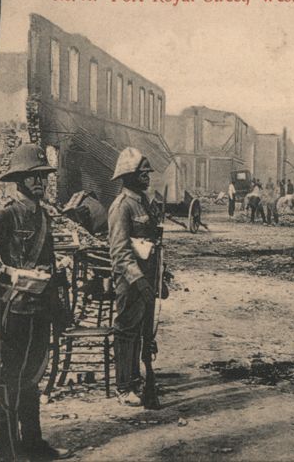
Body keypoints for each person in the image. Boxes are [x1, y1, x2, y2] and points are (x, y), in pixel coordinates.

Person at [0, 144, 70, 461]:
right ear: (19, 179)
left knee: (33, 378)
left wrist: (60, 308)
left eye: (43, 176)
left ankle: (34, 444)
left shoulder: (43, 215)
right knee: (9, 381)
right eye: (32, 176)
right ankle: (9, 451)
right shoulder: (5, 213)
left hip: (40, 310)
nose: (39, 182)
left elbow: (49, 264)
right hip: (12, 310)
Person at [108, 148, 167, 407]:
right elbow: (119, 251)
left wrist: (160, 278)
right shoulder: (121, 206)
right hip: (131, 282)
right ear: (128, 176)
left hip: (149, 278)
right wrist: (138, 281)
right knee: (127, 332)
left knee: (145, 333)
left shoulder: (143, 203)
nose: (147, 177)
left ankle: (138, 380)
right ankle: (124, 387)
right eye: (142, 174)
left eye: (147, 173)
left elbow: (154, 243)